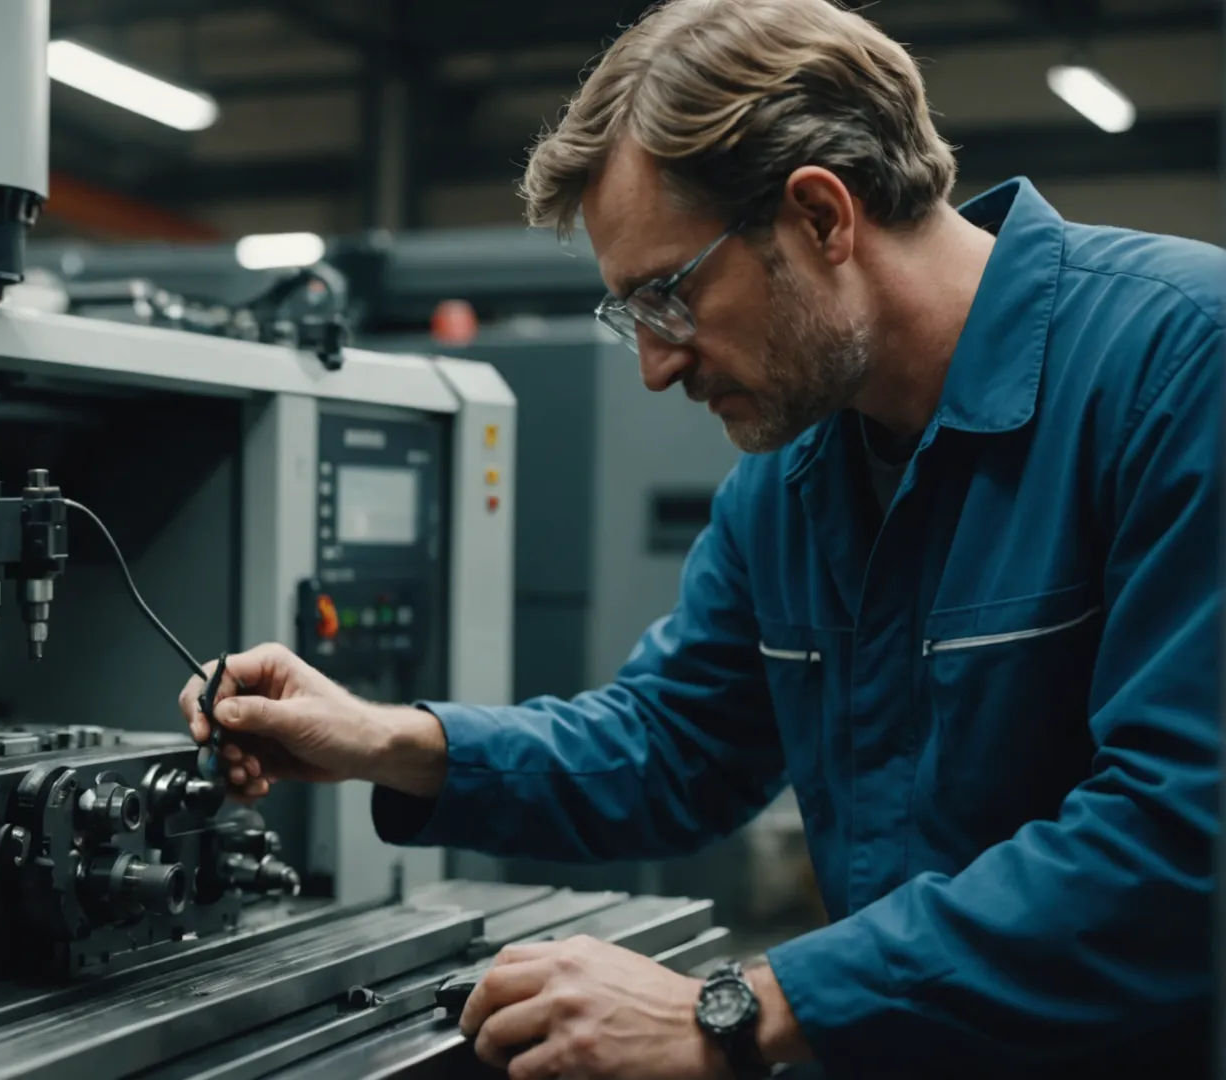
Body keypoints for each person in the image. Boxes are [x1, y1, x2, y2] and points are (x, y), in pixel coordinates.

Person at [176, 0, 1222, 1076]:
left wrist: (739, 1007)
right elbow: (677, 744)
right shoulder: (794, 472)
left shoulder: (1182, 366)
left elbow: (1182, 841)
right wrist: (392, 741)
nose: (655, 366)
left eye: (667, 298)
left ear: (821, 218)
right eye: (631, 316)